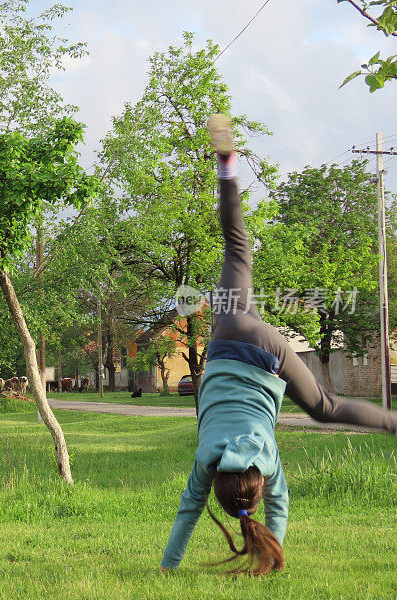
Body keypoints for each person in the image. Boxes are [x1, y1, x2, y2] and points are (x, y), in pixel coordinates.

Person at [160, 114, 397, 576]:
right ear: (219, 483)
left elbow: (277, 510)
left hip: (269, 351)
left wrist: (267, 561)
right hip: (229, 333)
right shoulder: (209, 461)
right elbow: (188, 511)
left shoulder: (265, 461)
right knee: (235, 246)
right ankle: (225, 163)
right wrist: (167, 567)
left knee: (326, 407)